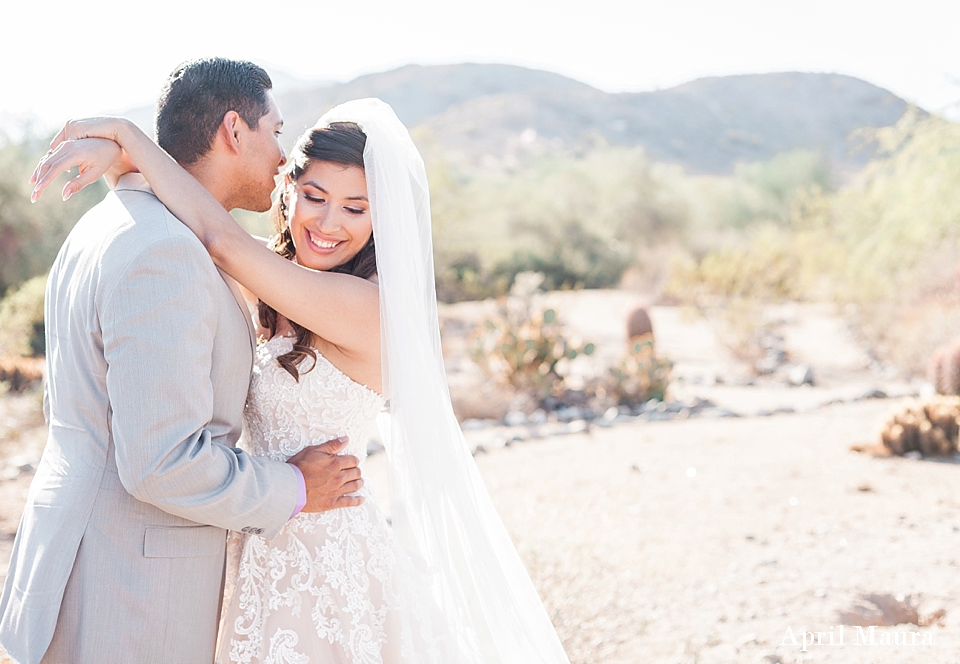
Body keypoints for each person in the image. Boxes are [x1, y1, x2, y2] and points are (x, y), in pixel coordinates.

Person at [34, 98, 571, 662]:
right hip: (254, 538)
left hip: (327, 559)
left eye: (355, 209)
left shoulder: (366, 307)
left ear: (380, 219)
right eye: (315, 197)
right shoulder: (275, 276)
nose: (329, 223)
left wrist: (127, 136)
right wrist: (123, 166)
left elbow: (217, 238)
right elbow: (196, 216)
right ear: (287, 189)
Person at [0, 58, 364, 664]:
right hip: (128, 591)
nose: (281, 158)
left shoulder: (106, 225)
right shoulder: (167, 253)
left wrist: (125, 150)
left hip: (83, 563)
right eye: (274, 131)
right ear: (234, 131)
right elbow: (161, 462)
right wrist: (294, 484)